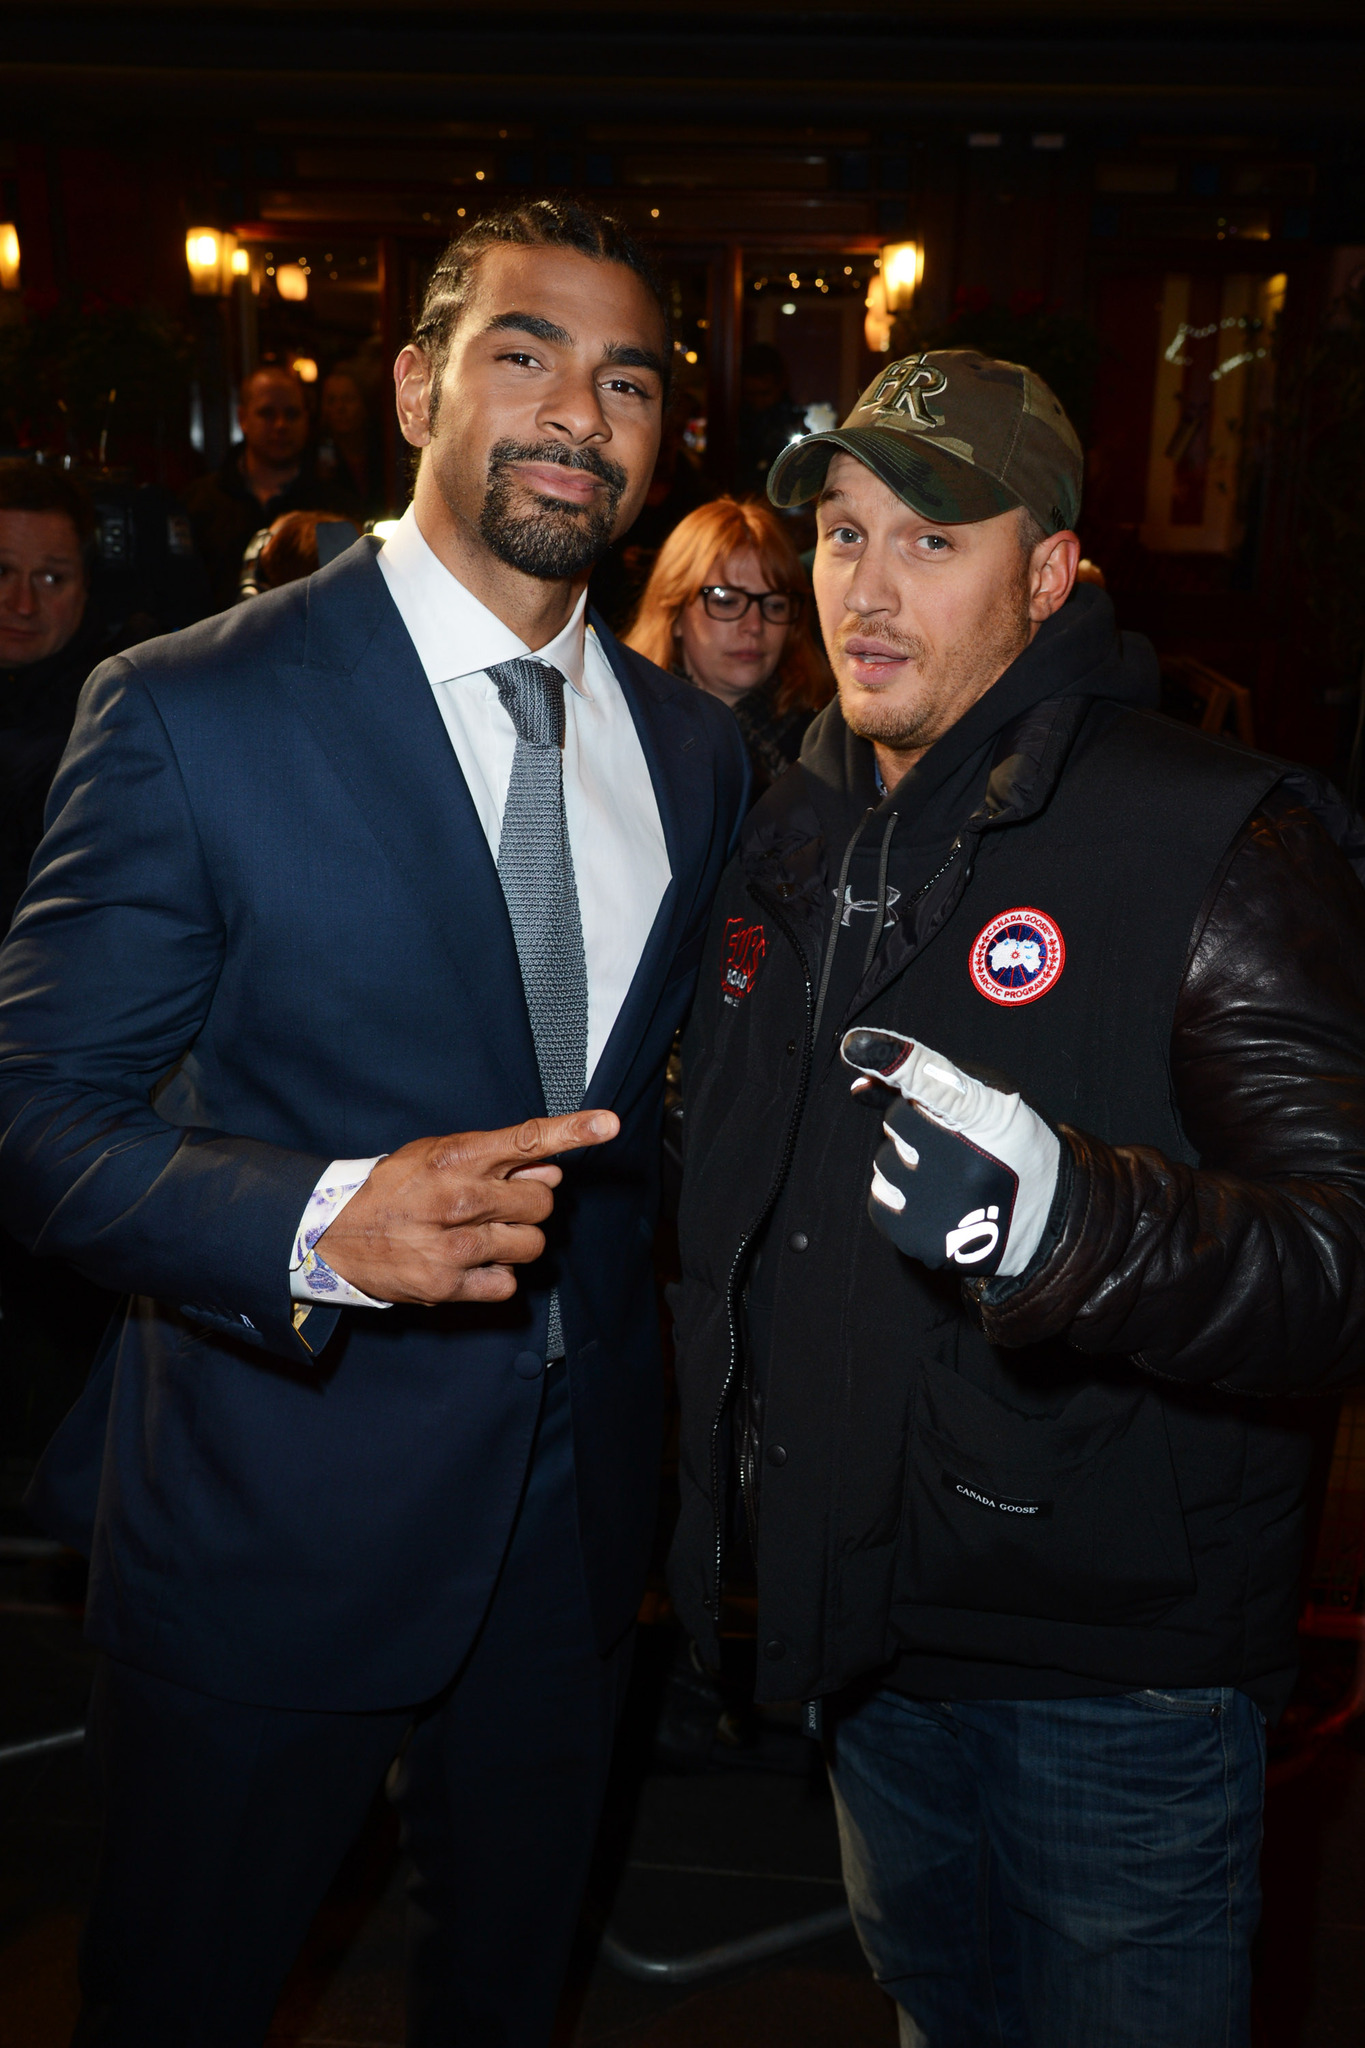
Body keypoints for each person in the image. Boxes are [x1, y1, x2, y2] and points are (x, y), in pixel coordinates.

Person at [0, 197, 746, 2046]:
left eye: (628, 379)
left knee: (505, 2000)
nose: (582, 411)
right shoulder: (190, 706)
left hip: (576, 1538)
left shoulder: (698, 751)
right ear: (416, 382)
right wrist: (319, 1222)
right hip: (270, 1509)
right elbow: (34, 1114)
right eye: (525, 353)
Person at [667, 348, 1365, 2048]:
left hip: (1113, 1682)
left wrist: (1080, 1230)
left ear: (1049, 573)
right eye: (842, 532)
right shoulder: (793, 826)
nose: (868, 587)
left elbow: (1341, 1261)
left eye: (933, 539)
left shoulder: (1217, 837)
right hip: (869, 1628)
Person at [0, 461, 144, 930]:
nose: (22, 605)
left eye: (51, 578)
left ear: (86, 586)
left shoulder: (118, 725)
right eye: (1, 571)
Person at [625, 495, 830, 793]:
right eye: (727, 601)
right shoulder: (625, 731)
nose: (754, 626)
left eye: (774, 605)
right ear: (674, 612)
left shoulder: (827, 748)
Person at [184, 363, 358, 610]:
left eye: (291, 414)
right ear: (243, 419)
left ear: (306, 419)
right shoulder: (199, 503)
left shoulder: (335, 507)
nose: (280, 425)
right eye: (267, 413)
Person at [734, 342, 807, 498]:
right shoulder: (735, 420)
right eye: (751, 394)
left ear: (779, 386)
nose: (758, 402)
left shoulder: (795, 422)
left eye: (765, 393)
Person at [315, 364, 387, 519]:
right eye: (332, 400)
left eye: (348, 399)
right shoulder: (315, 458)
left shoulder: (385, 452)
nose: (340, 408)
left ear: (363, 403)